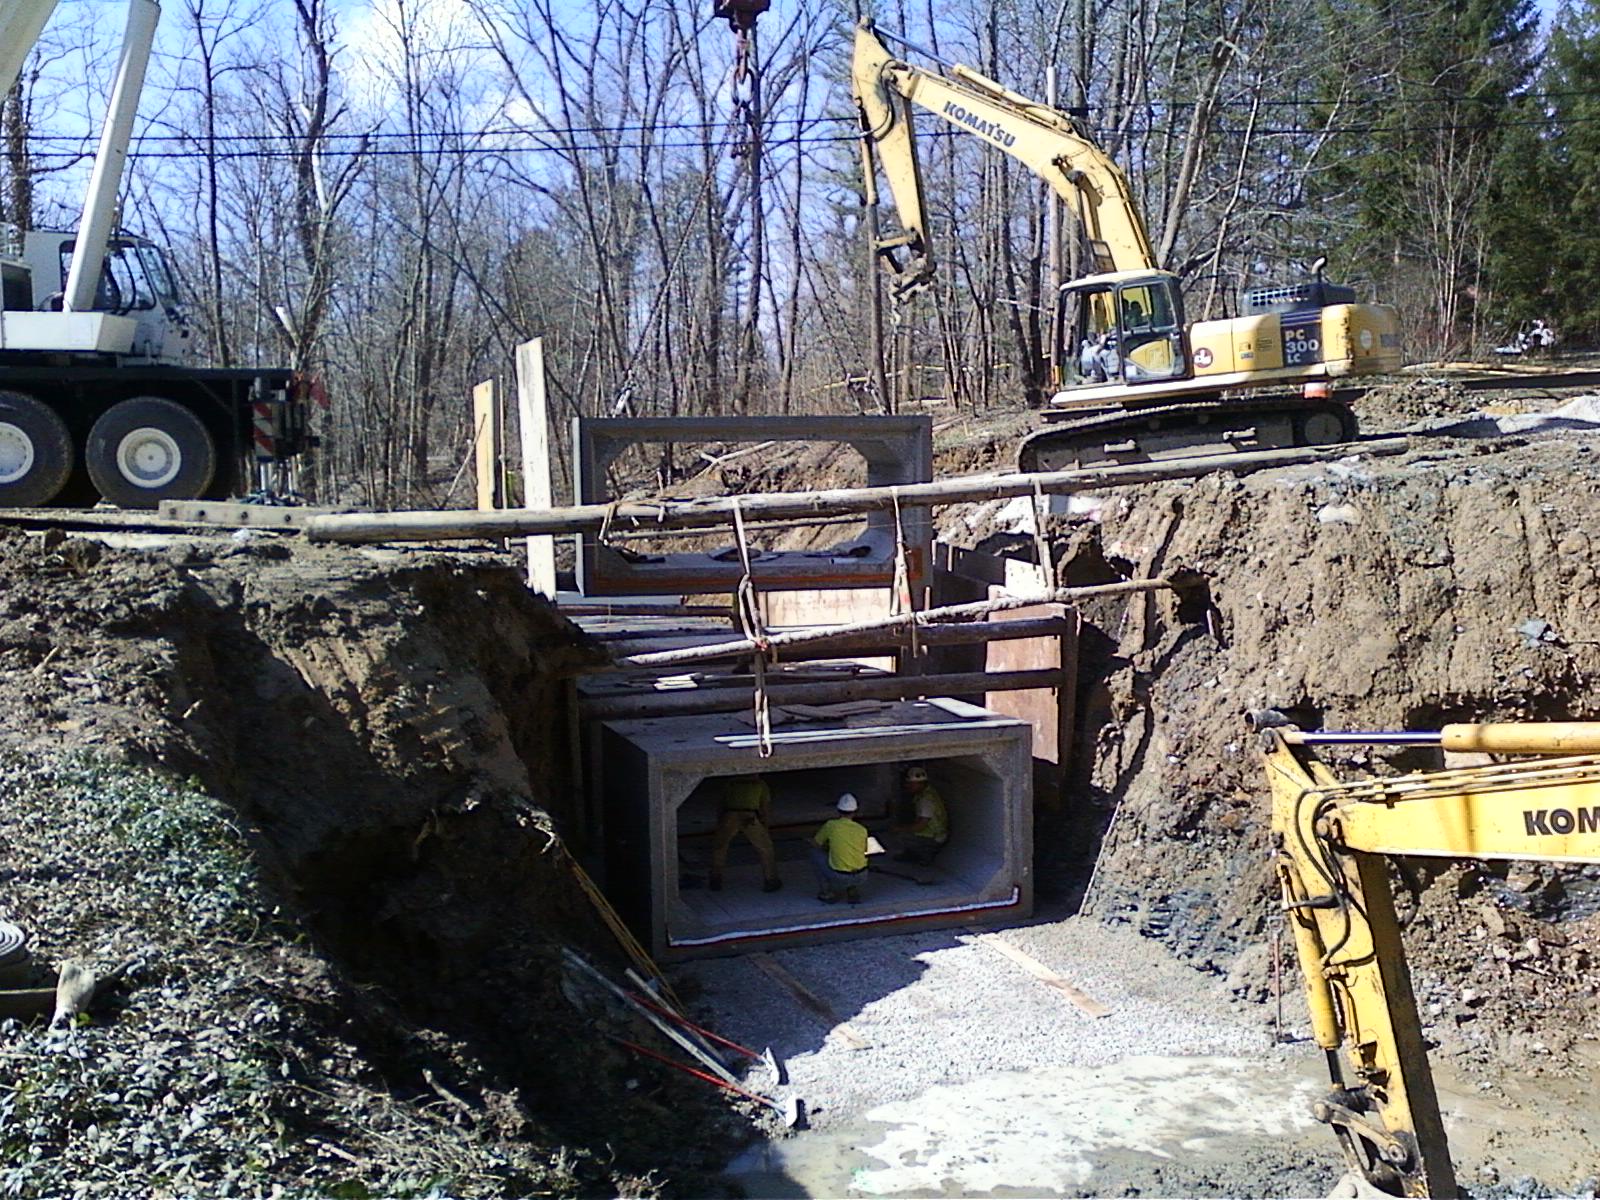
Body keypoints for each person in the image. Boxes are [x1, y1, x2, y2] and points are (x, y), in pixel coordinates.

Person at [709, 775, 782, 894]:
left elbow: (721, 803)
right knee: (766, 848)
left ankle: (715, 879)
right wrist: (765, 824)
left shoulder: (731, 783)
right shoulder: (760, 784)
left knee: (720, 848)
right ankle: (771, 880)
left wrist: (720, 822)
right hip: (749, 817)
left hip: (730, 815)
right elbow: (765, 806)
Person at [811, 793, 870, 904]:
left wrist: (828, 848)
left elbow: (815, 844)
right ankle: (852, 890)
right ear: (855, 812)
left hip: (840, 876)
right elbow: (864, 850)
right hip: (862, 875)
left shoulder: (831, 825)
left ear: (838, 810)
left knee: (815, 854)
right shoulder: (862, 829)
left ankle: (827, 893)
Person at [894, 765, 948, 866]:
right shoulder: (928, 793)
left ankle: (925, 855)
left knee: (901, 836)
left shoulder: (926, 800)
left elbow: (921, 825)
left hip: (934, 837)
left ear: (920, 784)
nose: (907, 786)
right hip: (934, 834)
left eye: (910, 784)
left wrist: (901, 829)